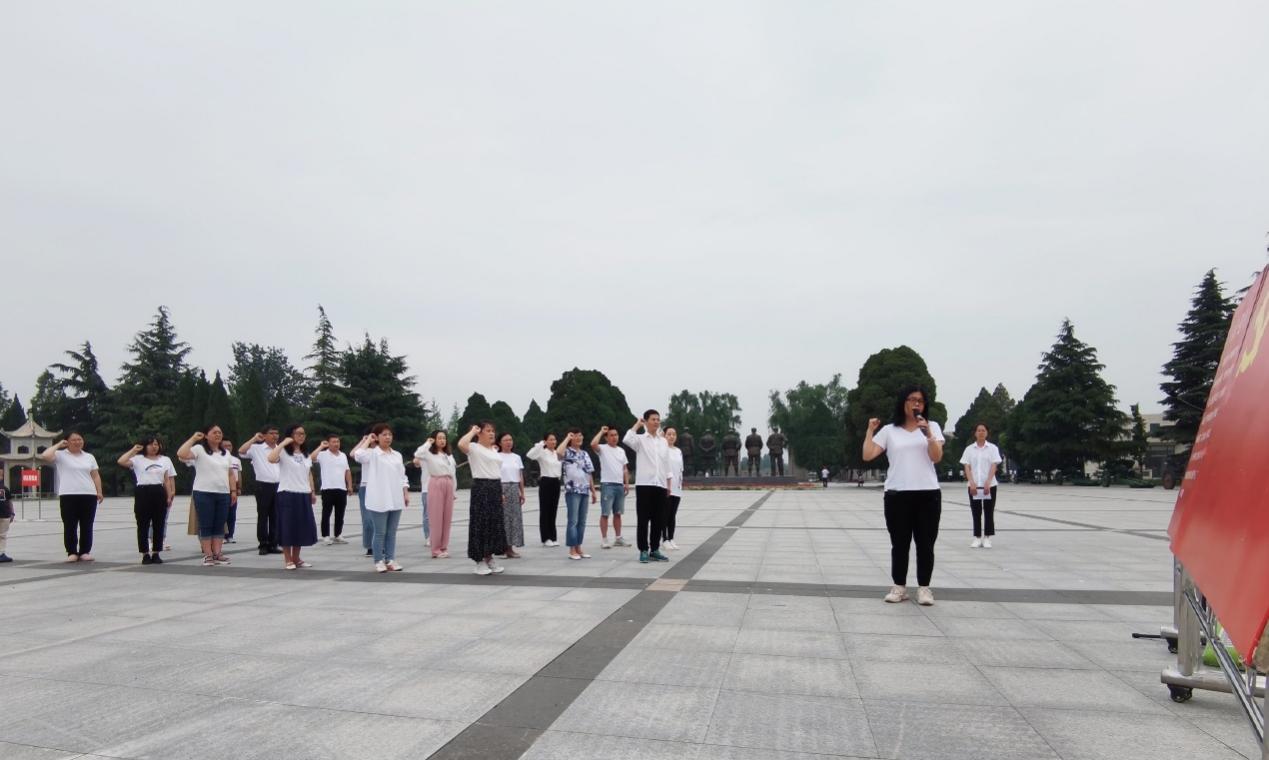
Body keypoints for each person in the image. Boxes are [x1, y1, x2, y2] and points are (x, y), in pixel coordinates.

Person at [863, 386, 945, 606]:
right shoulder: (890, 430)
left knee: (926, 544)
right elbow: (868, 454)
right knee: (899, 543)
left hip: (927, 494)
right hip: (897, 494)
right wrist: (870, 430)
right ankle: (899, 587)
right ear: (903, 403)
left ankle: (924, 589)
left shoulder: (932, 427)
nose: (916, 404)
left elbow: (936, 457)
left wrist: (928, 434)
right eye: (911, 400)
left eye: (920, 400)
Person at [351, 424, 409, 573]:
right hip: (379, 498)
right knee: (380, 532)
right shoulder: (372, 453)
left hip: (395, 497)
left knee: (392, 531)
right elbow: (357, 454)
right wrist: (368, 439)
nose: (388, 437)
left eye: (390, 434)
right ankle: (378, 560)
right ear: (377, 437)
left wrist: (405, 492)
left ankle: (390, 558)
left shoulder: (397, 455)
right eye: (384, 434)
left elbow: (402, 475)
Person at [178, 425, 238, 567]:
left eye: (220, 432)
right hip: (204, 492)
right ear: (206, 435)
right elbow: (181, 453)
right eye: (214, 432)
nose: (218, 434)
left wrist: (233, 491)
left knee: (219, 524)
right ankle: (208, 555)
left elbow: (230, 473)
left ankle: (218, 553)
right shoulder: (199, 449)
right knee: (206, 524)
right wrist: (193, 439)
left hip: (223, 493)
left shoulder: (226, 454)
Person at [41, 432, 104, 562]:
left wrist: (99, 491)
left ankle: (85, 551)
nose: (77, 442)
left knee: (87, 524)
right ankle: (72, 552)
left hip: (88, 494)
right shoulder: (60, 455)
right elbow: (45, 455)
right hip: (68, 494)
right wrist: (58, 445)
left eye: (80, 439)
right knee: (70, 524)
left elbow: (95, 475)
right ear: (67, 442)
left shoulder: (89, 457)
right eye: (74, 440)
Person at [117, 436, 176, 565]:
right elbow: (121, 461)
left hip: (159, 491)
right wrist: (133, 450)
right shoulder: (138, 459)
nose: (154, 446)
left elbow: (166, 479)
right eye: (150, 444)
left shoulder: (165, 460)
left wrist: (169, 495)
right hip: (143, 491)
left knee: (159, 524)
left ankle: (156, 552)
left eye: (156, 444)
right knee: (143, 524)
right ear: (144, 446)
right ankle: (145, 554)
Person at [458, 422, 507, 575]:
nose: (492, 433)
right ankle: (479, 560)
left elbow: (497, 471)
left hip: (495, 486)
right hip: (481, 487)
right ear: (480, 433)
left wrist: (501, 492)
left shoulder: (493, 450)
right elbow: (461, 444)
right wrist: (473, 430)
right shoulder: (473, 448)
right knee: (481, 524)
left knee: (494, 524)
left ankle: (489, 557)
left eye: (493, 430)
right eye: (488, 431)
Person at [268, 425, 320, 570]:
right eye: (298, 434)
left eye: (303, 434)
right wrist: (284, 443)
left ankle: (296, 558)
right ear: (291, 435)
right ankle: (288, 559)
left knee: (301, 527)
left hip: (303, 493)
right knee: (287, 526)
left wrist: (312, 491)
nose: (301, 436)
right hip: (287, 493)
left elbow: (308, 473)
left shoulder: (305, 454)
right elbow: (271, 458)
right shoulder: (284, 451)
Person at [623, 410, 671, 564]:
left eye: (658, 419)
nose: (656, 422)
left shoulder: (663, 441)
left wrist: (668, 482)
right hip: (645, 485)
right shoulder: (640, 440)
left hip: (660, 484)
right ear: (646, 421)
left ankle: (654, 549)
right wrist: (637, 425)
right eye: (653, 419)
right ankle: (643, 549)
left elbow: (666, 462)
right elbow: (626, 439)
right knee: (643, 519)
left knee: (659, 519)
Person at [240, 426, 283, 556]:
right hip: (263, 486)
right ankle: (263, 544)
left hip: (279, 485)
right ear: (264, 435)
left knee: (276, 516)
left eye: (276, 433)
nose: (275, 435)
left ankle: (274, 543)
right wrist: (254, 439)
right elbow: (241, 451)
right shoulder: (256, 448)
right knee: (263, 516)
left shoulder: (280, 449)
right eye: (271, 433)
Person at [960, 423, 1003, 549]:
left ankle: (987, 537)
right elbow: (966, 466)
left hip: (989, 485)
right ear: (975, 433)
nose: (981, 432)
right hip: (974, 485)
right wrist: (971, 482)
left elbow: (994, 465)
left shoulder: (993, 448)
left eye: (983, 430)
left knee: (989, 511)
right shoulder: (969, 449)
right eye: (978, 430)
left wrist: (988, 482)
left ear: (987, 433)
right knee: (976, 511)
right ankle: (977, 537)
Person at [415, 431, 456, 558]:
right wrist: (428, 442)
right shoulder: (429, 453)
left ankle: (443, 547)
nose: (442, 440)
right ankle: (435, 549)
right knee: (436, 517)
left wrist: (454, 490)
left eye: (444, 438)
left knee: (447, 518)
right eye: (439, 438)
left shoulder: (448, 455)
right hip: (436, 482)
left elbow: (453, 473)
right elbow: (418, 454)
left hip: (448, 482)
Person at [558, 428, 597, 560]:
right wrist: (567, 438)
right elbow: (558, 452)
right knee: (573, 520)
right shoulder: (567, 452)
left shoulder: (585, 454)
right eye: (575, 436)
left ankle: (579, 546)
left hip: (584, 490)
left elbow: (589, 473)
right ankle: (572, 548)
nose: (579, 438)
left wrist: (593, 491)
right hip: (572, 490)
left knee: (582, 521)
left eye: (581, 435)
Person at [590, 425, 629, 549]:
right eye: (611, 435)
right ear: (606, 438)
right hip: (607, 484)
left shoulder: (621, 451)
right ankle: (604, 539)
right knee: (605, 513)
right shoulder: (603, 449)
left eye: (616, 435)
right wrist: (601, 431)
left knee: (618, 513)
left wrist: (626, 483)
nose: (614, 437)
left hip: (619, 485)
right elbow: (593, 444)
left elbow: (625, 468)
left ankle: (618, 538)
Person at [312, 434, 353, 545]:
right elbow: (311, 457)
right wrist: (321, 446)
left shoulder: (343, 455)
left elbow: (347, 471)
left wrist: (349, 485)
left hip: (341, 488)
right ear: (328, 443)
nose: (336, 444)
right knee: (326, 513)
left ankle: (338, 534)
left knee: (340, 513)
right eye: (333, 442)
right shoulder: (323, 454)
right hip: (328, 488)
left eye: (338, 442)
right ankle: (325, 536)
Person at [526, 433, 562, 547]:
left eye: (554, 439)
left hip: (556, 482)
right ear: (546, 441)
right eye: (550, 440)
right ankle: (545, 538)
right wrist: (540, 444)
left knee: (553, 510)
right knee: (545, 510)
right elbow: (530, 455)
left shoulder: (557, 453)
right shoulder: (542, 452)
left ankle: (553, 536)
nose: (553, 442)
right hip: (546, 481)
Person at [496, 433, 525, 558]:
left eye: (510, 439)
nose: (509, 442)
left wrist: (522, 492)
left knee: (514, 519)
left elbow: (520, 476)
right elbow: (495, 474)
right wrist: (499, 492)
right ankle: (501, 547)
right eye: (505, 440)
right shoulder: (497, 456)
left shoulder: (516, 457)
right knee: (503, 519)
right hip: (502, 487)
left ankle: (510, 547)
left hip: (514, 488)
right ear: (500, 443)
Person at [664, 427, 684, 550]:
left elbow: (680, 470)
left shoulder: (678, 451)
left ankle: (671, 538)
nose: (671, 436)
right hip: (666, 487)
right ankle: (664, 539)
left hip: (677, 488)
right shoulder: (662, 450)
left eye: (674, 434)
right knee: (664, 514)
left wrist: (680, 485)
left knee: (672, 515)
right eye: (669, 434)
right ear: (664, 436)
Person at [221, 441, 243, 544]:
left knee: (232, 513)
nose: (227, 447)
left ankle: (230, 535)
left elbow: (238, 474)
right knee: (222, 513)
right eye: (225, 445)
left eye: (229, 445)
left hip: (233, 488)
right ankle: (222, 535)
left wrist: (239, 488)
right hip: (222, 487)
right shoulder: (219, 458)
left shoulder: (236, 460)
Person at [410, 441, 431, 542]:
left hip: (440, 488)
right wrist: (427, 443)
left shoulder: (442, 455)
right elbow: (415, 460)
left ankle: (438, 535)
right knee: (427, 515)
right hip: (427, 489)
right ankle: (428, 536)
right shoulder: (424, 455)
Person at [0, 479, 14, 563]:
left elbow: (9, 501)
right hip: (5, 515)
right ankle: (1, 554)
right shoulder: (5, 488)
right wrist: (12, 513)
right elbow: (10, 502)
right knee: (2, 536)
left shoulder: (5, 488)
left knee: (2, 535)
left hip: (5, 515)